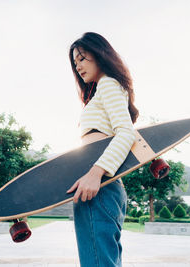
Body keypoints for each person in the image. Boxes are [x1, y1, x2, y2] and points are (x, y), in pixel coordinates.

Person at [66, 32, 139, 267]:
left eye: (82, 58)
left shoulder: (108, 83)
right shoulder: (101, 90)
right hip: (98, 186)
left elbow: (126, 133)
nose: (78, 66)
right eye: (75, 62)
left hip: (99, 186)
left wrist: (95, 173)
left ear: (99, 55)